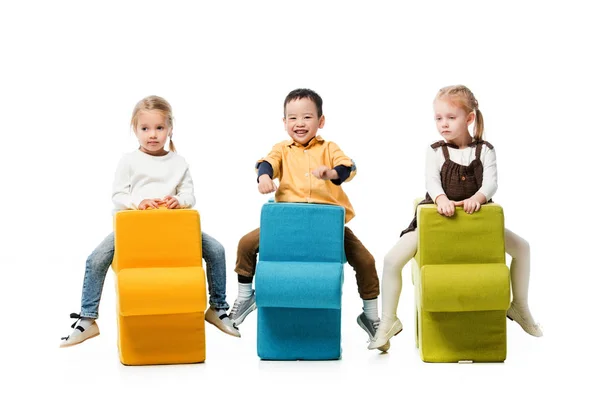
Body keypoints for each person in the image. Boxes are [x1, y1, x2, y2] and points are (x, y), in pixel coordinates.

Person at [370, 85, 543, 352]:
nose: (443, 124)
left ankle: (519, 305)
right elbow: (431, 181)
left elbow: (492, 183)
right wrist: (440, 199)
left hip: (478, 226)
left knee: (523, 248)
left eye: (451, 117)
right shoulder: (436, 150)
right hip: (436, 224)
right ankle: (389, 321)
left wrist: (480, 197)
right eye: (438, 118)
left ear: (469, 118)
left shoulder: (485, 150)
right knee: (392, 259)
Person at [60, 95, 240, 347]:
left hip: (174, 231)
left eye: (159, 128)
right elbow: (118, 194)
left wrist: (180, 201)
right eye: (145, 128)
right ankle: (88, 318)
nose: (152, 134)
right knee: (96, 258)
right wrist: (139, 203)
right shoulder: (129, 161)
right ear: (135, 129)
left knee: (216, 249)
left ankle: (218, 307)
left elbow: (189, 193)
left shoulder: (178, 162)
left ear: (170, 129)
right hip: (134, 231)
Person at [230, 88, 384, 349]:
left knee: (366, 261)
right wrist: (264, 177)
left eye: (307, 117)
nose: (299, 124)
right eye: (292, 118)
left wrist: (331, 172)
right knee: (246, 244)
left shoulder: (329, 148)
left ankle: (371, 318)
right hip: (286, 224)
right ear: (284, 122)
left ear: (320, 121)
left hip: (328, 225)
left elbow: (347, 167)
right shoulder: (282, 149)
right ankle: (246, 297)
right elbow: (267, 163)